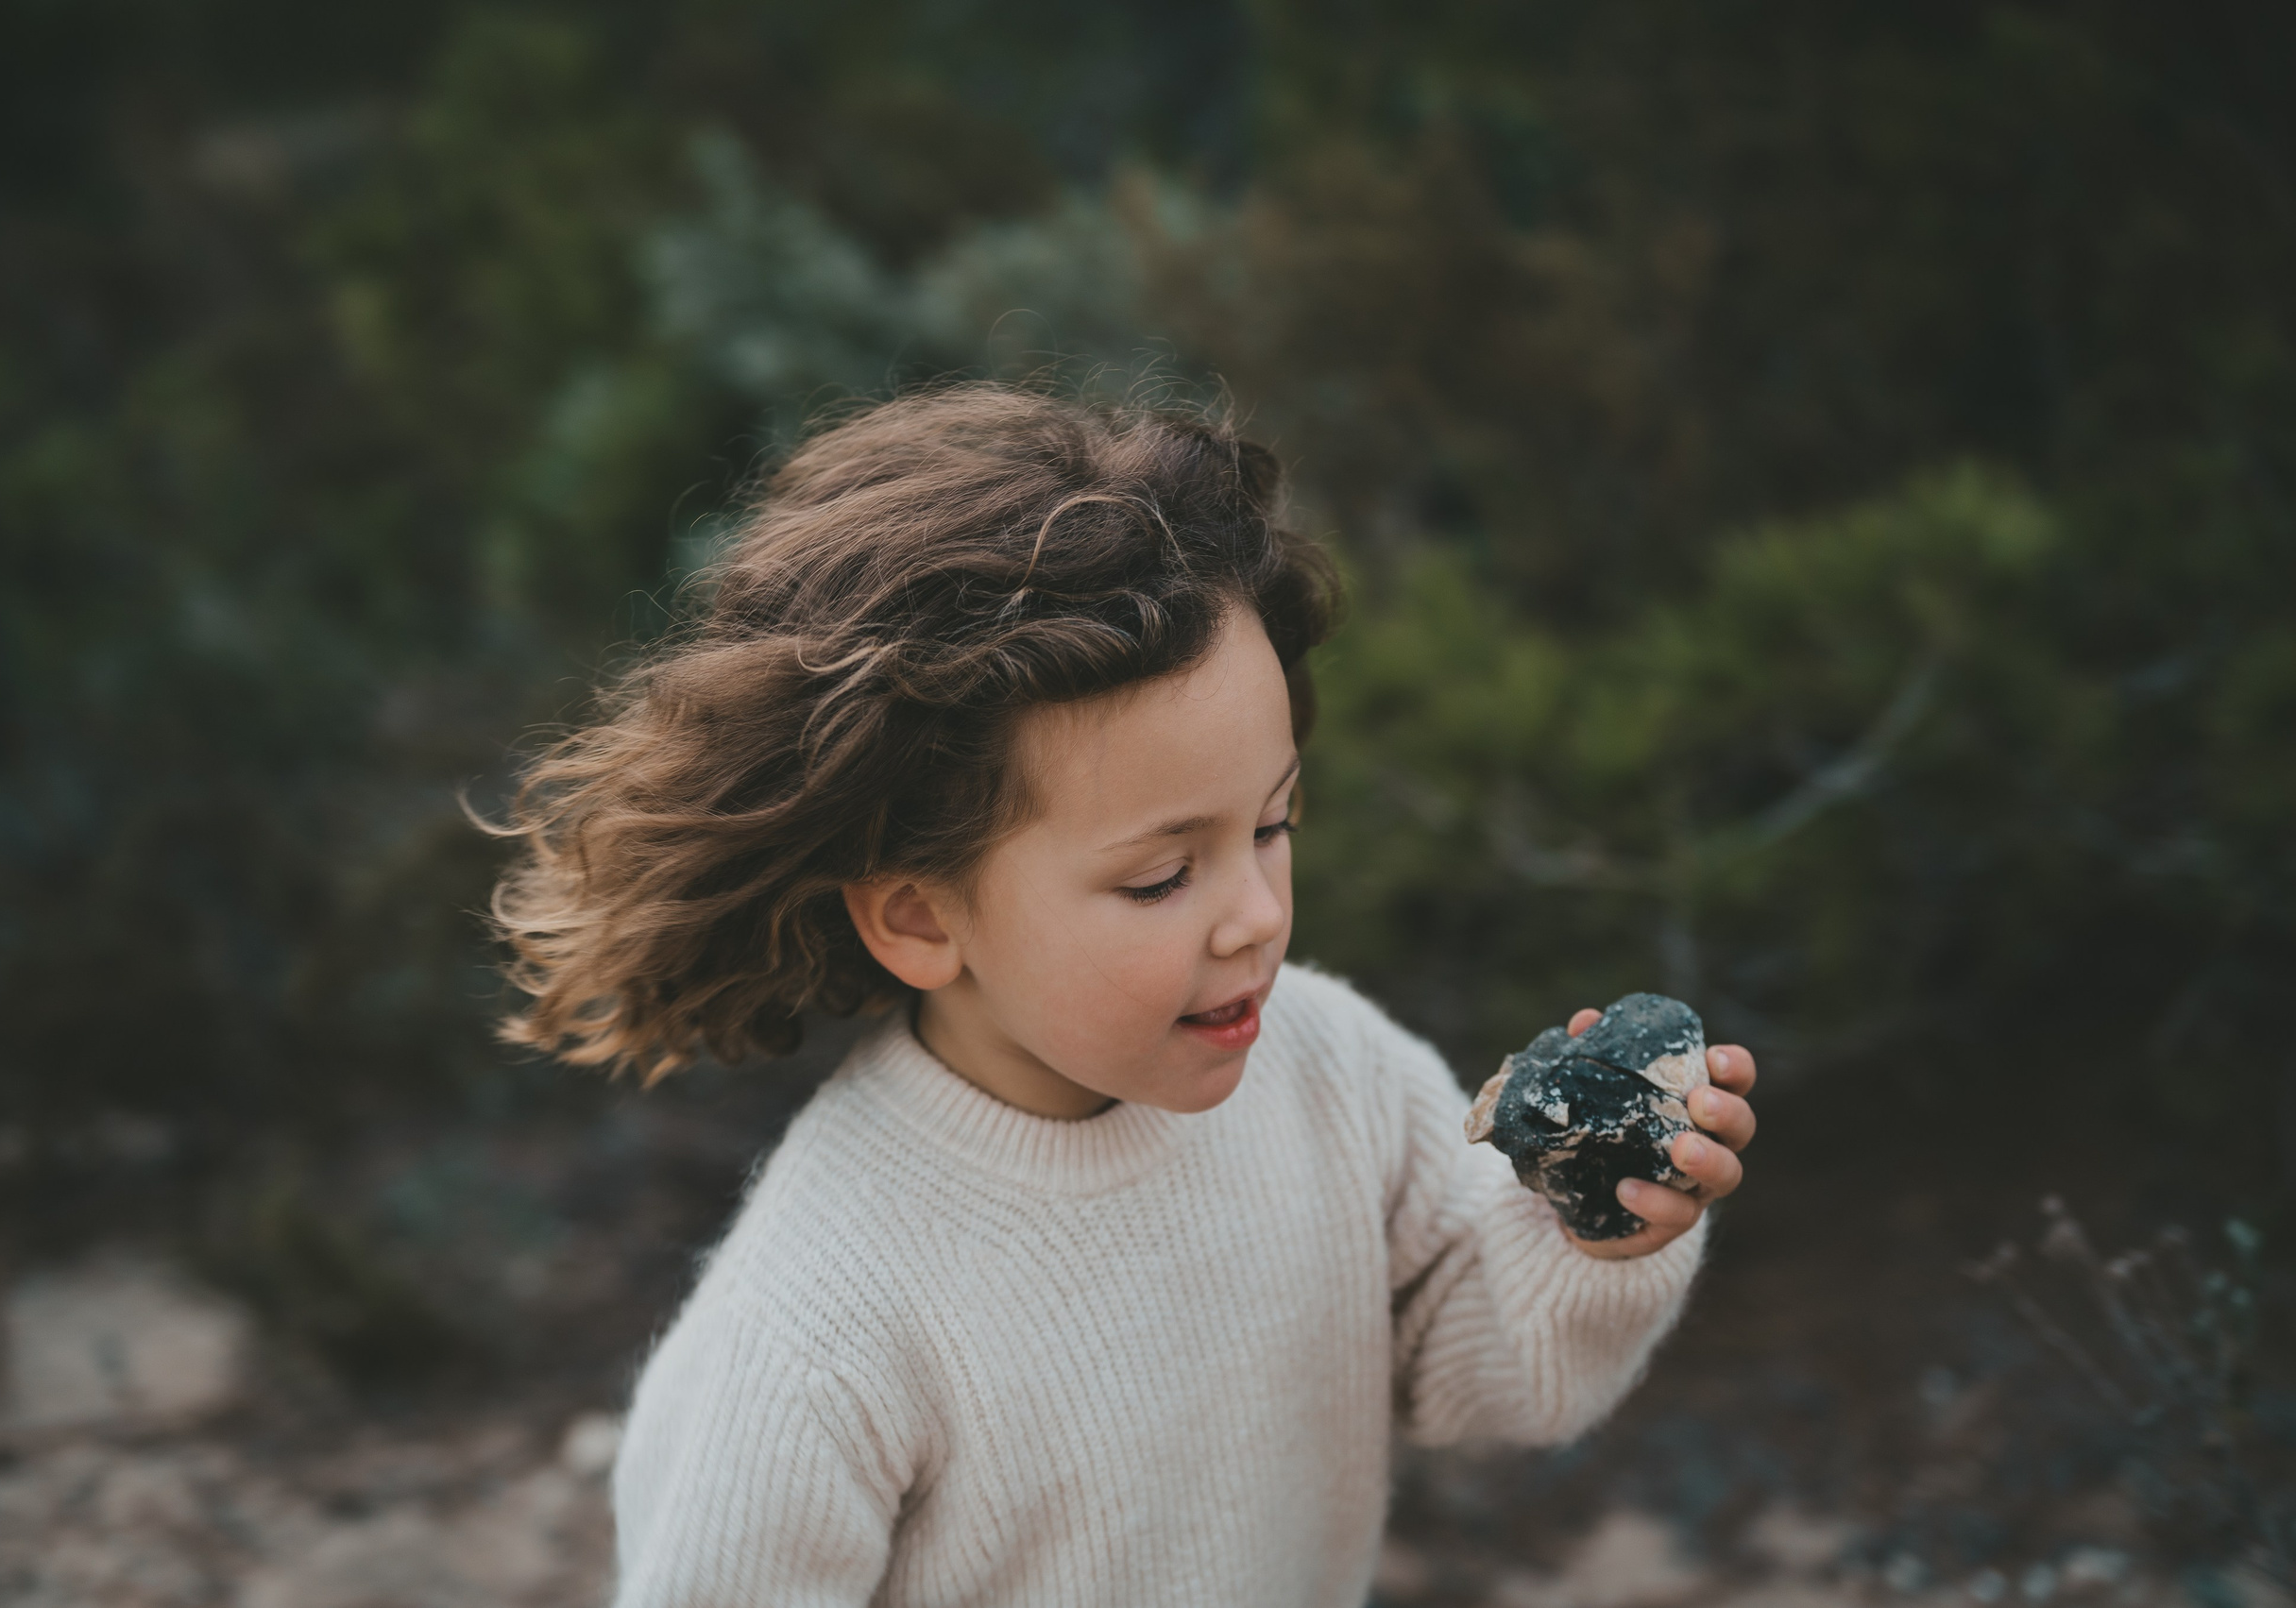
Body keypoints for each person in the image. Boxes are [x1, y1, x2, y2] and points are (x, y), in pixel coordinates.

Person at [488, 383, 1758, 1606]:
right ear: (921, 916)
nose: (1258, 913)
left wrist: (1596, 1231)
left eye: (1274, 823)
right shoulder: (818, 1329)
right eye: (1161, 877)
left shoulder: (1330, 1071)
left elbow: (1486, 1374)